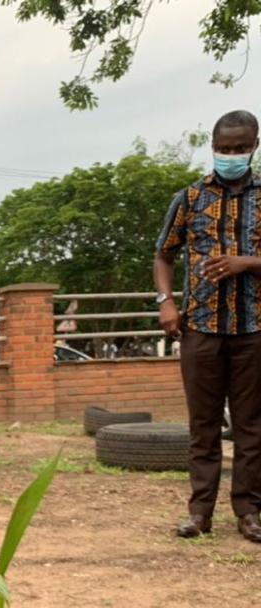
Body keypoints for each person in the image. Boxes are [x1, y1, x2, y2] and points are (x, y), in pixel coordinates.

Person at [154, 109, 261, 543]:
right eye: (224, 148)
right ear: (213, 146)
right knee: (203, 425)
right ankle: (200, 512)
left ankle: (249, 513)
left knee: (252, 425)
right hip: (199, 327)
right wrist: (166, 303)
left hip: (254, 328)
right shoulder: (190, 198)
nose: (231, 155)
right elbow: (164, 254)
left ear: (253, 147)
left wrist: (247, 262)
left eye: (240, 148)